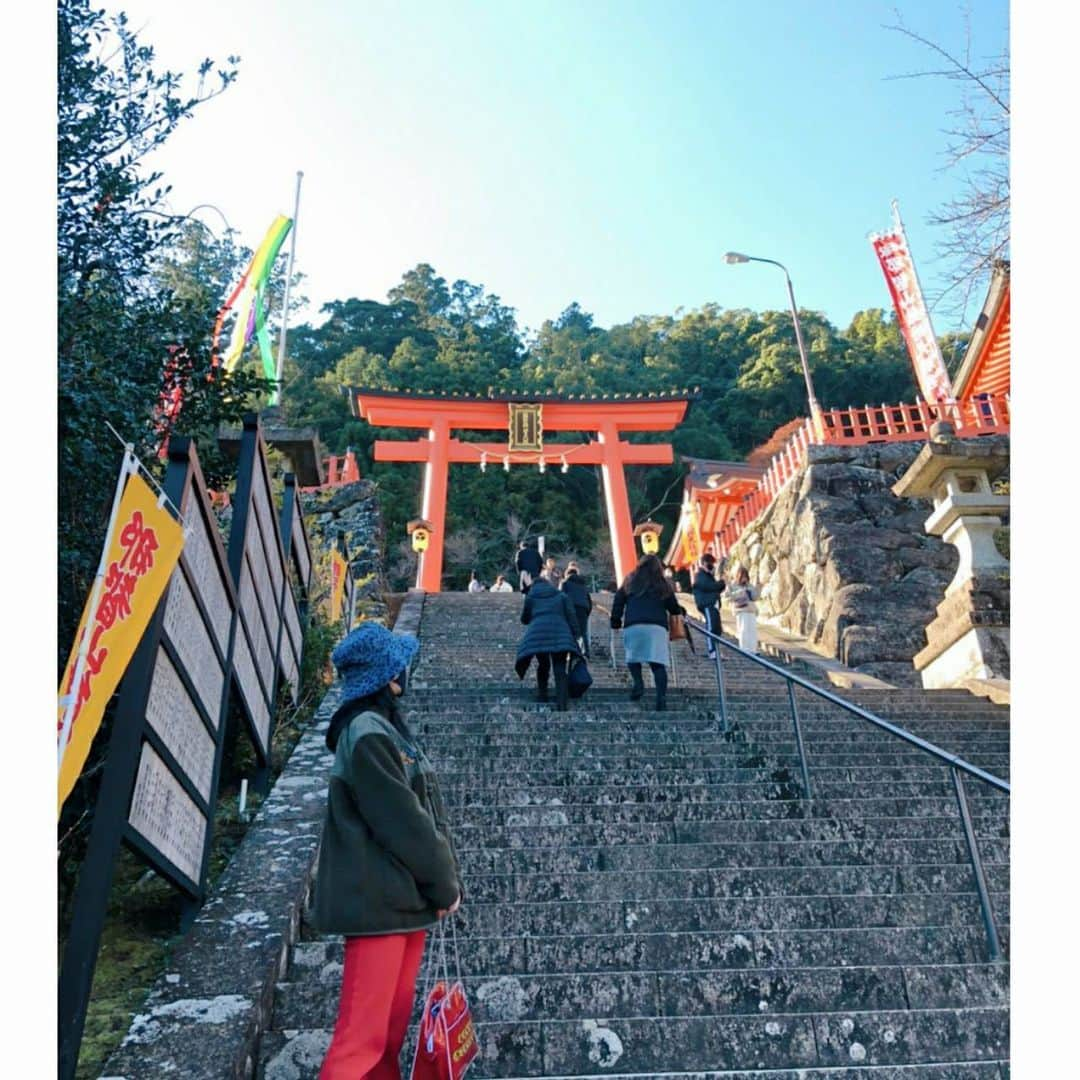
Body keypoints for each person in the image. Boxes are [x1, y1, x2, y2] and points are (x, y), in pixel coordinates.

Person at [312, 622, 462, 1078]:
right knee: (360, 1043)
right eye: (400, 663)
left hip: (400, 900)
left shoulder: (379, 729)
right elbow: (405, 823)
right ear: (387, 674)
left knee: (386, 1038)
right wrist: (444, 885)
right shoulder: (368, 732)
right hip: (379, 901)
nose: (406, 670)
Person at [610, 554, 684, 711]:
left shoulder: (630, 580)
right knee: (657, 664)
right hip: (656, 627)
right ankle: (661, 699)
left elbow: (618, 600)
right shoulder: (662, 583)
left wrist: (615, 621)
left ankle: (638, 683)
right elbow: (673, 607)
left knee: (633, 658)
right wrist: (679, 611)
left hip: (634, 624)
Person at [515, 568, 582, 711]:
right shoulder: (561, 595)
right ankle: (562, 703)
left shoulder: (531, 597)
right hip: (560, 632)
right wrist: (577, 634)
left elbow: (524, 619)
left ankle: (542, 695)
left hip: (538, 634)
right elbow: (571, 615)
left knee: (543, 665)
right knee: (559, 668)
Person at [692, 553, 725, 659]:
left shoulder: (709, 576)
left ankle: (716, 650)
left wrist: (720, 584)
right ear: (704, 563)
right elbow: (708, 587)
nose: (711, 566)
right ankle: (712, 650)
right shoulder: (700, 575)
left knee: (717, 628)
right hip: (707, 604)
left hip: (713, 604)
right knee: (711, 628)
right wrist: (720, 583)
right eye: (709, 563)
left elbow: (715, 587)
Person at [560, 562, 592, 657]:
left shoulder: (565, 583)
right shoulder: (583, 585)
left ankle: (570, 652)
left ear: (567, 574)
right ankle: (586, 652)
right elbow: (589, 601)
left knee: (570, 630)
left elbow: (561, 596)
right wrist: (587, 613)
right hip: (583, 609)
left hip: (571, 607)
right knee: (583, 632)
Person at [727, 566, 759, 654]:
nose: (744, 578)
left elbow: (754, 597)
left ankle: (753, 649)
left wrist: (755, 589)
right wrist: (739, 592)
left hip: (750, 609)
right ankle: (744, 648)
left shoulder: (750, 585)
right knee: (743, 629)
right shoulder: (733, 585)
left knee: (752, 630)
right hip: (741, 610)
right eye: (742, 576)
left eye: (746, 576)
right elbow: (728, 597)